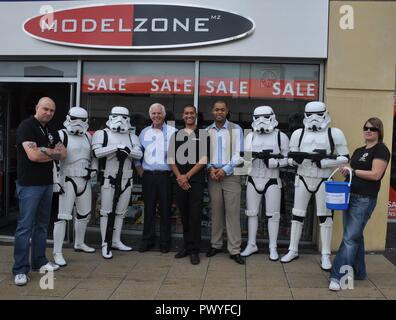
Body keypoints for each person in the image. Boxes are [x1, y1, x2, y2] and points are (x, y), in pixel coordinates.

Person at [281, 101, 349, 271]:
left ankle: (325, 254)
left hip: (324, 179)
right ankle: (293, 249)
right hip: (303, 177)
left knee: (325, 217)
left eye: (318, 114)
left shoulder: (335, 133)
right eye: (309, 115)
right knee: (297, 214)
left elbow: (345, 157)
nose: (313, 119)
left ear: (325, 114)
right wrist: (295, 160)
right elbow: (290, 158)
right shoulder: (298, 134)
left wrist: (324, 162)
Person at [329, 117, 390, 291]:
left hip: (364, 199)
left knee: (349, 238)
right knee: (355, 236)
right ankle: (360, 271)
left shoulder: (381, 150)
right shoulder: (359, 150)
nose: (368, 130)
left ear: (379, 132)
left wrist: (353, 170)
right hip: (350, 196)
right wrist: (346, 169)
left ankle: (337, 276)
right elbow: (352, 168)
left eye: (373, 128)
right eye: (366, 128)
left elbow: (375, 174)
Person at [13, 97, 67, 286]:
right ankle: (20, 269)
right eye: (45, 109)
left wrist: (46, 151)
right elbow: (33, 155)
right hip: (29, 184)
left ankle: (39, 261)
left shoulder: (52, 129)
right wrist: (51, 153)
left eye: (52, 110)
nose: (49, 113)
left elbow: (63, 154)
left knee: (42, 225)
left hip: (46, 183)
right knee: (25, 227)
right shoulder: (26, 126)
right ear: (37, 107)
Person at [92, 106, 143, 259]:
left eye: (123, 117)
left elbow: (138, 153)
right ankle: (105, 242)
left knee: (121, 212)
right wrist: (116, 147)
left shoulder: (132, 136)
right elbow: (96, 152)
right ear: (111, 117)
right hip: (109, 176)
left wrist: (126, 150)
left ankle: (115, 240)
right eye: (117, 116)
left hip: (127, 178)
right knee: (106, 212)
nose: (120, 120)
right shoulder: (102, 134)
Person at [240, 106, 289, 261]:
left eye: (265, 117)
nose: (261, 121)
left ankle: (272, 247)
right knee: (251, 213)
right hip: (253, 178)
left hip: (272, 179)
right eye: (258, 117)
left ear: (272, 117)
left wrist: (275, 162)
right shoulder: (250, 136)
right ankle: (251, 244)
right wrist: (249, 158)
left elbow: (289, 159)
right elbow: (241, 158)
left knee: (273, 215)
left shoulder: (281, 136)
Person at [52, 107, 96, 267]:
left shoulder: (88, 137)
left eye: (82, 120)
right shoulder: (61, 134)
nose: (78, 123)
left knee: (84, 214)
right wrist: (56, 181)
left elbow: (94, 156)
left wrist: (94, 170)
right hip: (67, 178)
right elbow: (54, 160)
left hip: (84, 179)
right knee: (62, 216)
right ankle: (57, 252)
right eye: (75, 119)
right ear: (68, 118)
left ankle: (79, 243)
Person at [168, 105, 209, 265]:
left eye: (192, 113)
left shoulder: (203, 134)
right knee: (184, 215)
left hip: (196, 181)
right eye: (186, 113)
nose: (189, 115)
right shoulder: (176, 135)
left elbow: (204, 159)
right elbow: (171, 158)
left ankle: (194, 250)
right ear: (183, 116)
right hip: (179, 181)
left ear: (196, 115)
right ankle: (186, 246)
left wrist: (187, 176)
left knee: (195, 216)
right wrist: (180, 177)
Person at [206, 100, 245, 264]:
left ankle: (234, 249)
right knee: (215, 212)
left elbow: (239, 154)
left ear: (227, 111)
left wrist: (225, 170)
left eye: (222, 109)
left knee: (233, 213)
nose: (219, 112)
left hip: (231, 175)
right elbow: (204, 154)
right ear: (212, 112)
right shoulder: (206, 131)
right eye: (216, 110)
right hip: (213, 176)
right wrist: (210, 169)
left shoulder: (236, 129)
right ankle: (215, 245)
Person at [137, 103, 177, 253]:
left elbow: (178, 156)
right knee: (149, 210)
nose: (156, 116)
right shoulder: (144, 132)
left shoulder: (173, 132)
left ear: (164, 115)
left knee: (166, 210)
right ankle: (147, 241)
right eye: (153, 113)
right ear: (150, 115)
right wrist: (140, 171)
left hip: (166, 177)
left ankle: (165, 243)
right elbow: (137, 153)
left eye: (159, 113)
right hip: (148, 176)